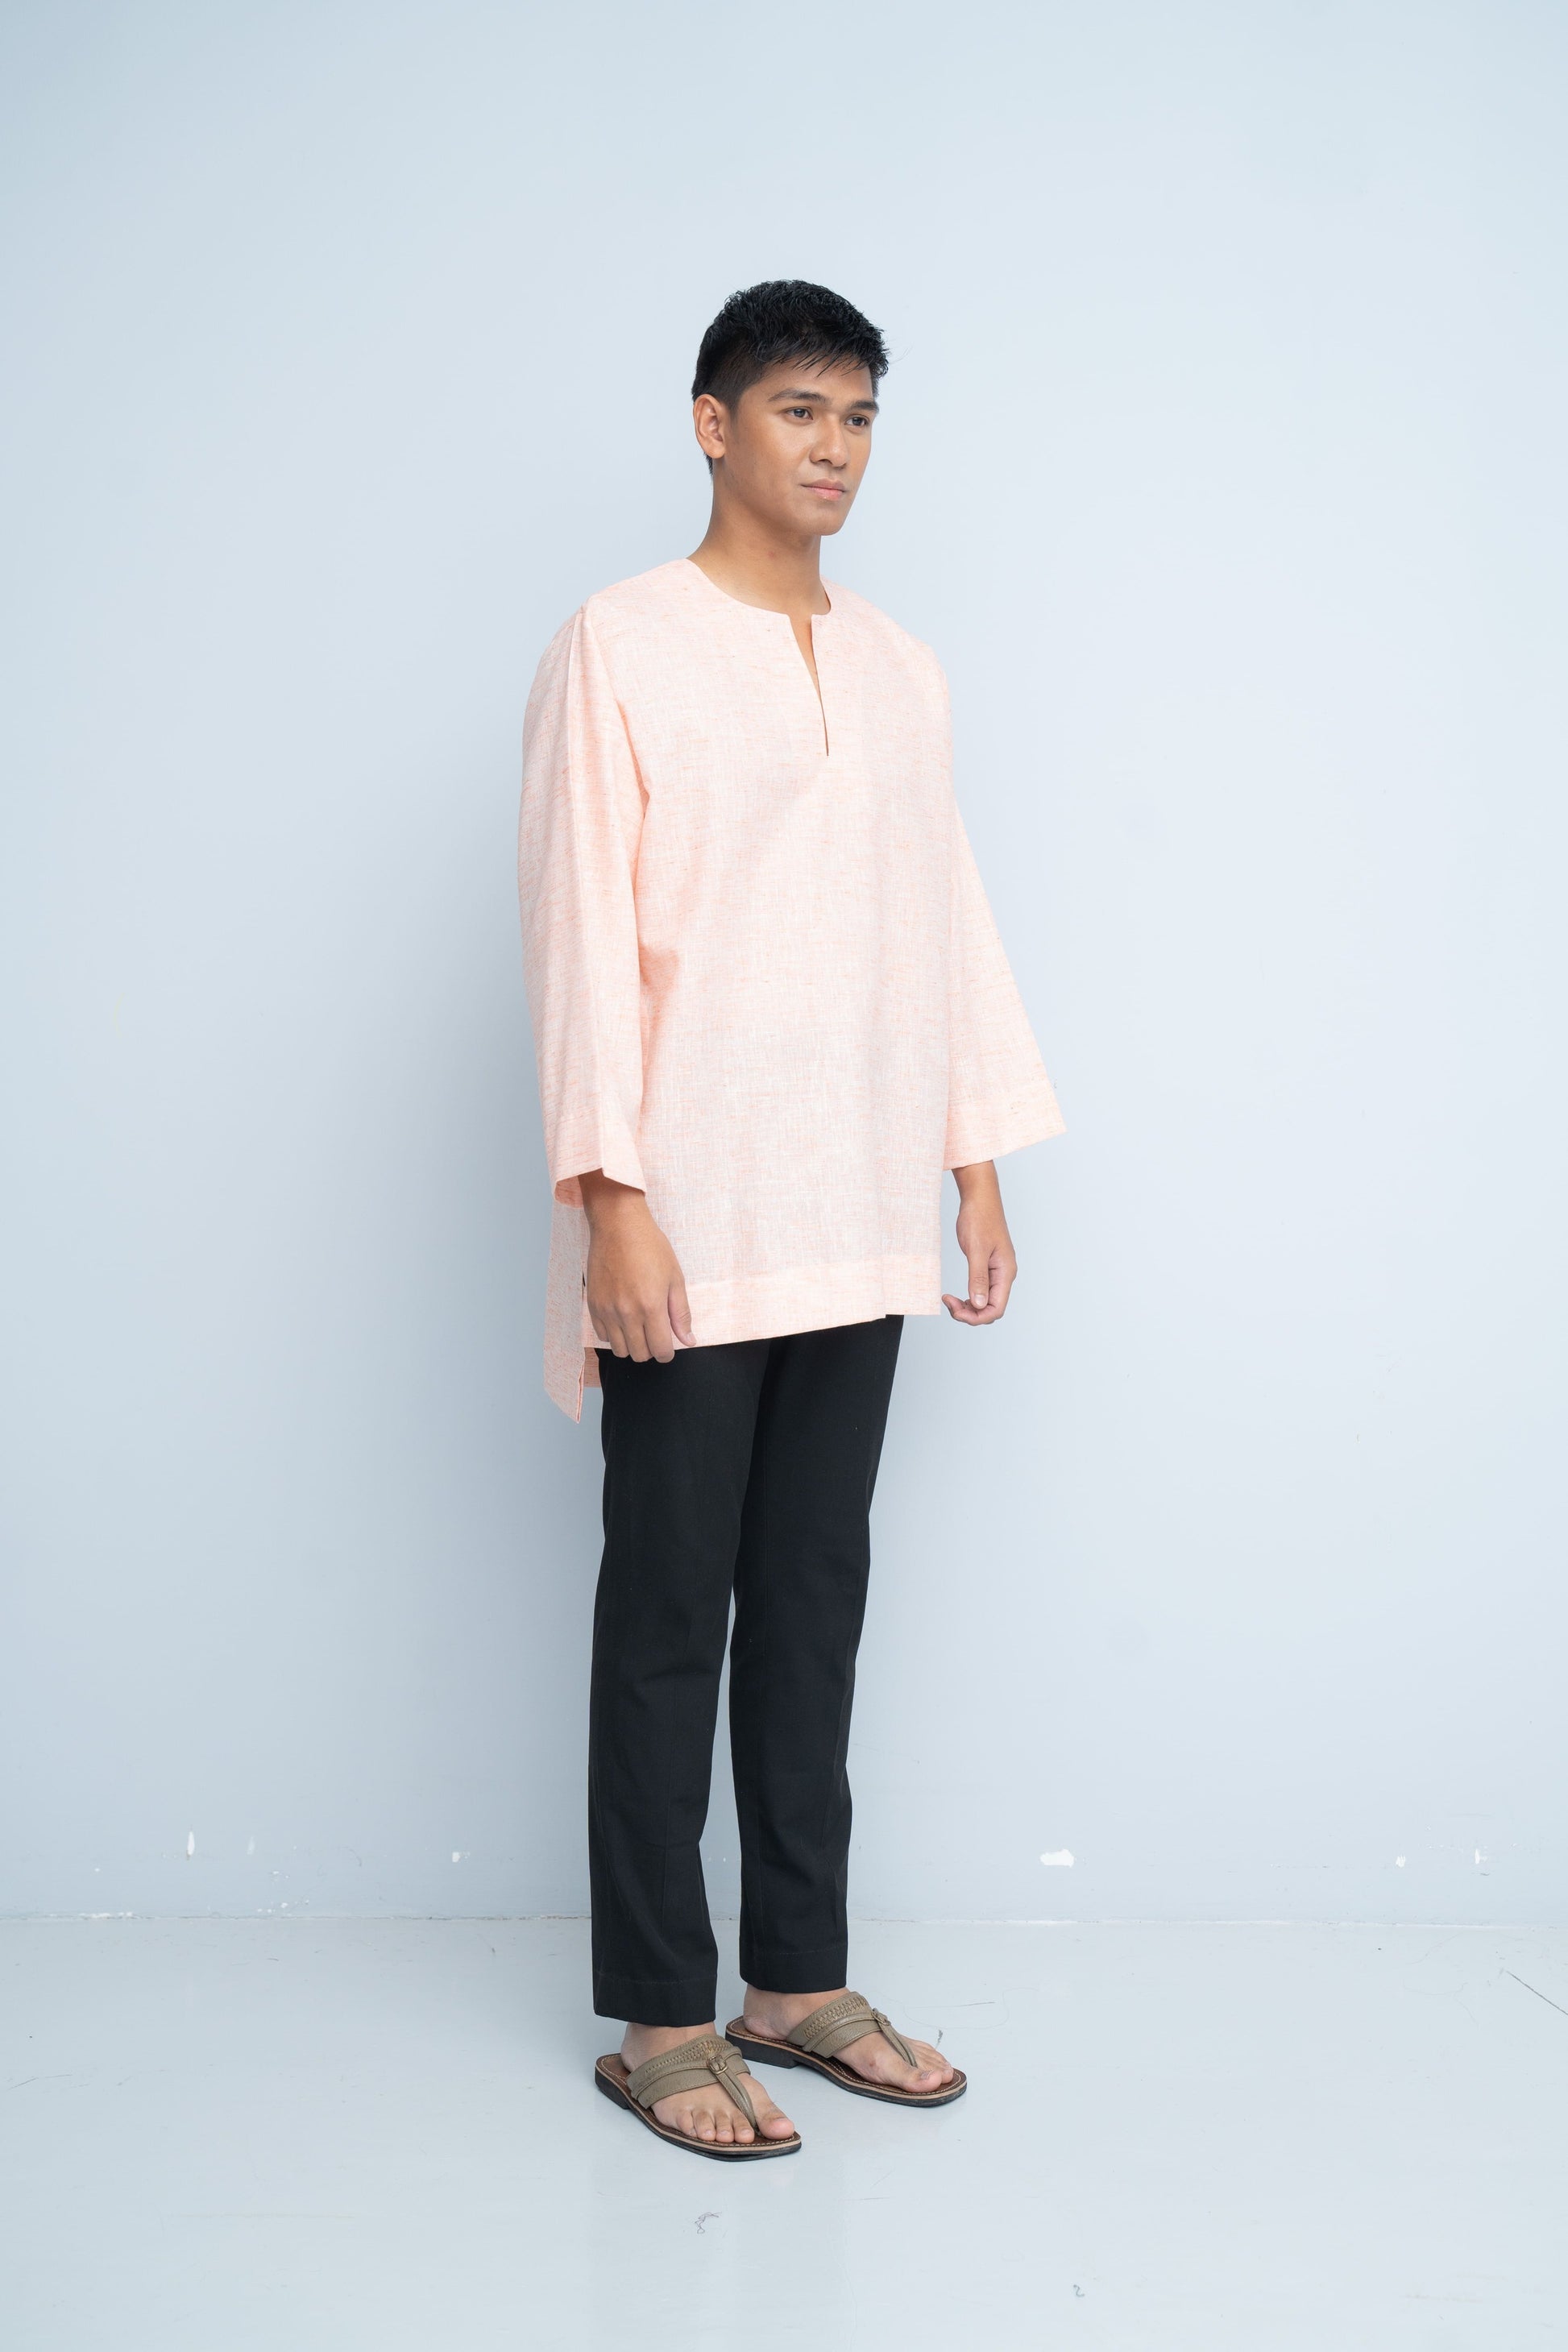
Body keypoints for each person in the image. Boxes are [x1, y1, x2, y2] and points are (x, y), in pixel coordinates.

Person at [516, 280, 1064, 2161]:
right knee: (672, 1607)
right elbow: (580, 927)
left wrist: (972, 1157)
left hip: (854, 1196)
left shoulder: (901, 664)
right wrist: (611, 1198)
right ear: (712, 424)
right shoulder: (619, 643)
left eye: (858, 417)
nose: (834, 447)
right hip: (691, 1202)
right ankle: (663, 2014)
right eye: (799, 410)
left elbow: (941, 911)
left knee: (815, 1601)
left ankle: (796, 1984)